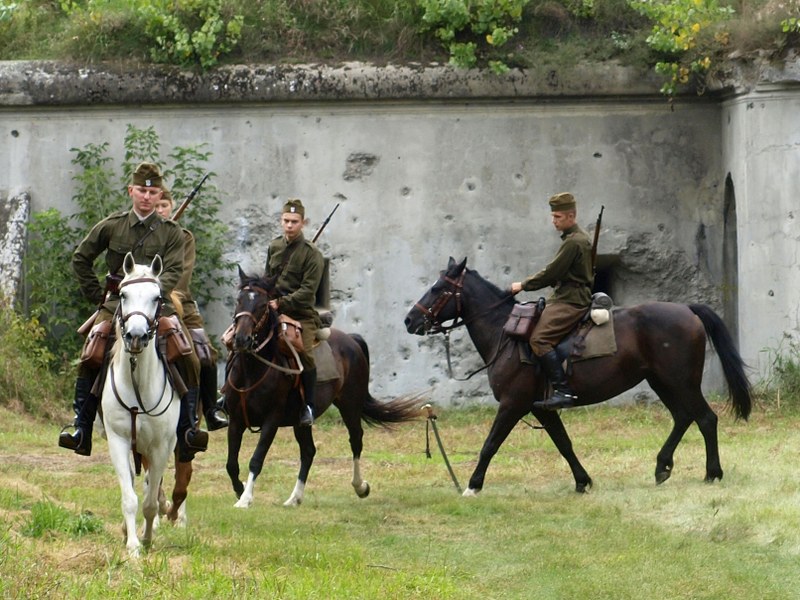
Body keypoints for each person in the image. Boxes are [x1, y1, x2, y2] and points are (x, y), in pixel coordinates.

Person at [58, 162, 209, 461]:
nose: (147, 197)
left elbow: (175, 270)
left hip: (157, 304)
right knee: (92, 352)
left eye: (153, 192)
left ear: (159, 195)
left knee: (188, 354)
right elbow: (81, 258)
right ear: (131, 191)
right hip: (118, 303)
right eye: (141, 190)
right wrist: (98, 296)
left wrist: (152, 293)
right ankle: (81, 427)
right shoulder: (112, 226)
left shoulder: (171, 232)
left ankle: (188, 428)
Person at [510, 192, 593, 410]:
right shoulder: (577, 238)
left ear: (571, 216)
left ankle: (563, 391)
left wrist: (523, 285)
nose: (553, 221)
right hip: (565, 296)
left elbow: (551, 273)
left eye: (558, 217)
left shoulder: (573, 242)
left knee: (539, 340)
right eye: (553, 216)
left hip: (571, 300)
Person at [154, 188, 228, 431]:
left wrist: (166, 294)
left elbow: (182, 276)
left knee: (205, 356)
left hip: (179, 302)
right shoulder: (142, 235)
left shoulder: (184, 237)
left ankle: (210, 411)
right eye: (156, 206)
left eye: (164, 206)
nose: (160, 210)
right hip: (143, 301)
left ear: (171, 207)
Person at [265, 198, 324, 426]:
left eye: (294, 221)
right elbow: (268, 278)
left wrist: (280, 303)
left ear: (303, 223)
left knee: (304, 352)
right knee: (242, 336)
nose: (289, 225)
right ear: (281, 221)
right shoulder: (274, 246)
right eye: (286, 220)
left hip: (301, 314)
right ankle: (228, 395)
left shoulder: (312, 254)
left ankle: (309, 406)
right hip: (273, 309)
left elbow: (308, 292)